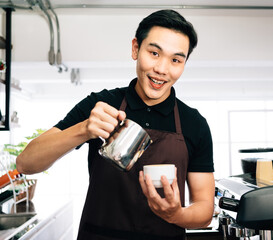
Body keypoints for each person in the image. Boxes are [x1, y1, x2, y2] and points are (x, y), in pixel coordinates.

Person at [16, 9, 215, 240]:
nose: (162, 69)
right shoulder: (100, 105)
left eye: (175, 60)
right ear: (135, 49)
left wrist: (176, 214)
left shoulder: (195, 124)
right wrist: (83, 129)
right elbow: (25, 163)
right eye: (154, 53)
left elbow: (204, 210)